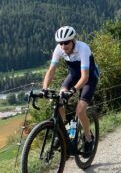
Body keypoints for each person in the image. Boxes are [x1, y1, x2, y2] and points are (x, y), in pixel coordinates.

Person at [42, 26, 98, 155]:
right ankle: (67, 131)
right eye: (60, 43)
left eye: (66, 42)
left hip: (89, 78)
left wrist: (73, 91)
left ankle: (88, 138)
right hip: (73, 76)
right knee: (58, 101)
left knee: (80, 110)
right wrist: (45, 88)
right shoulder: (59, 49)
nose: (63, 45)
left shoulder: (83, 48)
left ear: (73, 40)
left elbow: (85, 77)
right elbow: (51, 71)